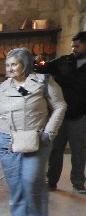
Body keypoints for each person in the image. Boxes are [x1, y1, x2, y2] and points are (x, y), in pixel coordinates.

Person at [0, 47, 66, 216]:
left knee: (32, 181)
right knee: (15, 183)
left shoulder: (43, 82)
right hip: (7, 140)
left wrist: (49, 132)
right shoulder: (1, 88)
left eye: (14, 64)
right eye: (7, 65)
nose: (10, 68)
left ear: (26, 64)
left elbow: (59, 106)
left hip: (35, 138)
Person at [36, 31, 86, 193]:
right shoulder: (63, 62)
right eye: (73, 45)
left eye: (77, 46)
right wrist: (38, 63)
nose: (74, 49)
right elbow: (43, 70)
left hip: (80, 115)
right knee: (55, 149)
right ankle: (52, 180)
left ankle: (78, 182)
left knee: (79, 150)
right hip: (59, 115)